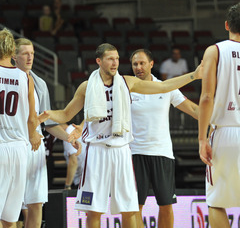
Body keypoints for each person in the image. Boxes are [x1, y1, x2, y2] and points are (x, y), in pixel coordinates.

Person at [44, 43, 202, 228]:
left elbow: (166, 88)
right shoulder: (89, 86)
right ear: (98, 61)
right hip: (106, 151)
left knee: (134, 209)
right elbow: (74, 114)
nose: (115, 62)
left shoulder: (127, 83)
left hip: (130, 151)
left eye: (117, 58)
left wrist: (194, 75)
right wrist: (48, 116)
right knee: (100, 210)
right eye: (111, 59)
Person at [129, 49, 199, 228]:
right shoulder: (126, 88)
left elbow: (192, 109)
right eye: (135, 64)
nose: (138, 67)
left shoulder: (167, 87)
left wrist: (216, 120)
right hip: (134, 153)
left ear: (151, 64)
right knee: (135, 206)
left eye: (142, 63)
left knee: (166, 205)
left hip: (163, 153)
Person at [13, 38, 78, 228]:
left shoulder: (39, 83)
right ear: (14, 56)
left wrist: (69, 137)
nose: (30, 57)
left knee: (36, 202)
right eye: (25, 53)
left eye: (32, 53)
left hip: (35, 148)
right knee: (9, 205)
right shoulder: (4, 79)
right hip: (11, 144)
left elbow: (48, 124)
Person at [198, 3, 240, 228]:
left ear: (226, 25)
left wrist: (202, 139)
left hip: (225, 133)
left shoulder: (215, 50)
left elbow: (206, 98)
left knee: (216, 202)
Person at [0, 28, 43, 228]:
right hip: (19, 149)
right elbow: (31, 120)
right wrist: (33, 132)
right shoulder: (26, 78)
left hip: (1, 145)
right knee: (10, 218)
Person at [62, 121, 85, 190]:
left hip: (83, 180)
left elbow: (73, 162)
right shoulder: (73, 130)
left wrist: (67, 185)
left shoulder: (68, 133)